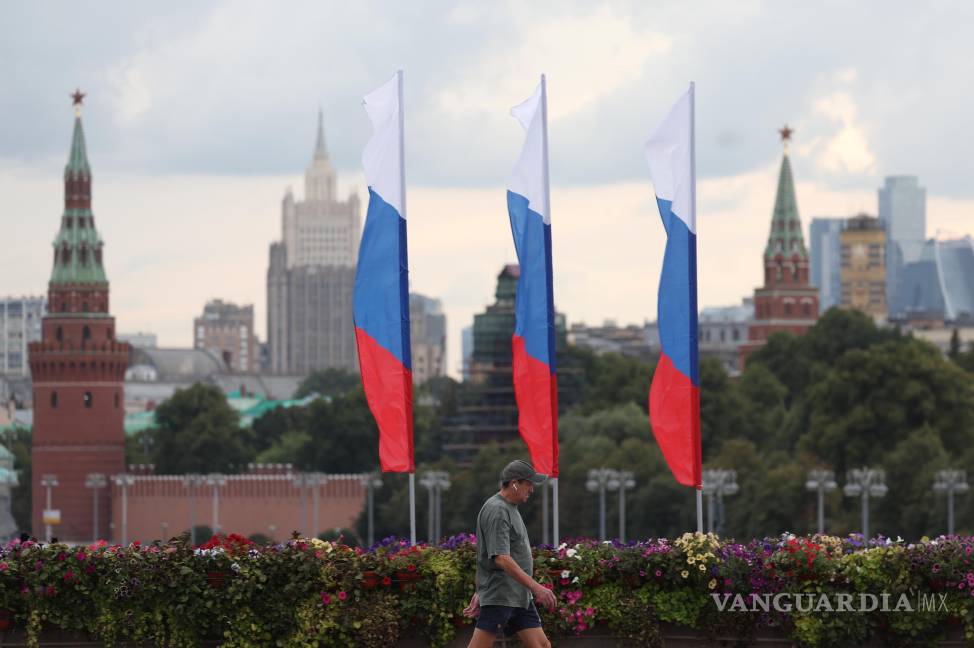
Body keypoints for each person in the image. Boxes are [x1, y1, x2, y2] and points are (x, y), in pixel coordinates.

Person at [463, 459, 557, 648]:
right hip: (501, 595)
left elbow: (485, 555)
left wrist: (480, 590)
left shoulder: (509, 508)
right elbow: (501, 558)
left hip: (518, 595)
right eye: (529, 484)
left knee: (542, 646)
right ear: (515, 483)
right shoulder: (498, 510)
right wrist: (536, 587)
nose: (532, 489)